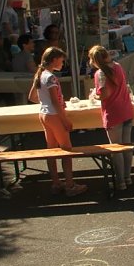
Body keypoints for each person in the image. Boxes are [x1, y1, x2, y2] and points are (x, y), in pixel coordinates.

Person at [28, 47, 88, 197]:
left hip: (44, 114)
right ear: (54, 60)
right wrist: (65, 119)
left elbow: (32, 97)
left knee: (51, 150)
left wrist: (46, 101)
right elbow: (55, 102)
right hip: (54, 115)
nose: (63, 63)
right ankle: (70, 185)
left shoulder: (40, 74)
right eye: (61, 61)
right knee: (66, 150)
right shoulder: (51, 78)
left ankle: (56, 183)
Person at [87, 45, 134, 190]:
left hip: (113, 113)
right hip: (126, 110)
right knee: (126, 146)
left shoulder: (100, 74)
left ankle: (120, 181)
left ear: (94, 60)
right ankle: (127, 177)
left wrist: (94, 95)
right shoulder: (118, 66)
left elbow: (104, 94)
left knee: (116, 149)